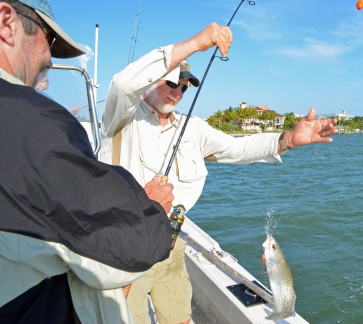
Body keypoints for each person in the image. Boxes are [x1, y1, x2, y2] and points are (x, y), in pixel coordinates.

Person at [100, 23, 338, 324]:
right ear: (151, 80)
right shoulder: (122, 115)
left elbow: (237, 149)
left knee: (180, 319)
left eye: (185, 87)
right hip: (122, 246)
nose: (178, 92)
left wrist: (288, 139)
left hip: (168, 245)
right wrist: (197, 42)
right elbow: (122, 84)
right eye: (172, 82)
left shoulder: (193, 128)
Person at [0, 1, 175, 323]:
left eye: (186, 86)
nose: (49, 59)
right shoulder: (32, 119)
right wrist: (152, 206)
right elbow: (127, 249)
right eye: (48, 40)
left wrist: (287, 140)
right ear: (6, 22)